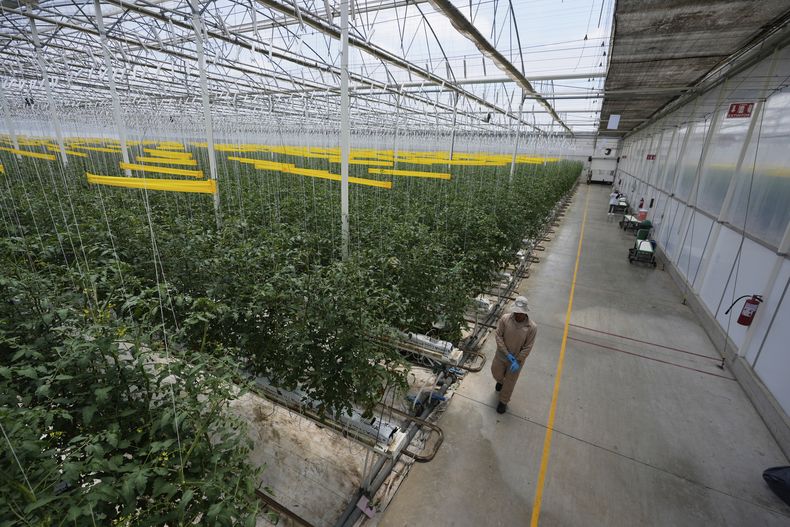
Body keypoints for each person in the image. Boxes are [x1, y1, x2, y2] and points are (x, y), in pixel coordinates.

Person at [491, 296, 537, 414]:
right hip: (502, 355)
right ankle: (500, 381)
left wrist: (518, 359)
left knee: (510, 381)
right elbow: (498, 336)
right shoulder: (505, 319)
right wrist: (506, 353)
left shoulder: (531, 327)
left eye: (521, 313)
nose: (518, 314)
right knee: (496, 372)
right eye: (516, 312)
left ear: (525, 312)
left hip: (516, 360)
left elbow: (528, 346)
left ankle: (503, 401)